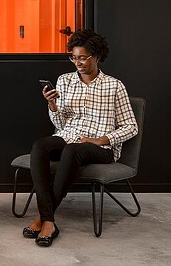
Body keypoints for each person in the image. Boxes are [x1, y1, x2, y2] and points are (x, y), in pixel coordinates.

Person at [23, 29, 137, 247]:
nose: (78, 62)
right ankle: (48, 220)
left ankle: (44, 220)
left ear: (97, 56)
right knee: (40, 145)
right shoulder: (65, 81)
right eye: (74, 57)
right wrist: (52, 105)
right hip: (69, 137)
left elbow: (131, 126)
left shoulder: (114, 86)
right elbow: (61, 124)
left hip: (99, 146)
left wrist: (101, 140)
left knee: (72, 150)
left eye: (83, 58)